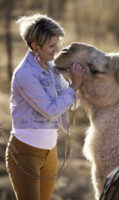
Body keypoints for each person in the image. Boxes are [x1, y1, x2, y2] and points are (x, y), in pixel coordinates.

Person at [5, 14, 85, 200]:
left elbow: (73, 104)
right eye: (51, 46)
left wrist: (78, 84)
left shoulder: (51, 68)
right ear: (35, 46)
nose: (57, 50)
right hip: (25, 153)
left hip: (50, 151)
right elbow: (51, 111)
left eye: (57, 44)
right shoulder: (25, 74)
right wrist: (74, 86)